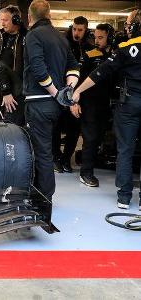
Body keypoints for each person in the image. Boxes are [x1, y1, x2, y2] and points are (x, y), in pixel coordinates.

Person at [72, 9, 141, 209]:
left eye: (129, 24)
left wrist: (77, 92)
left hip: (128, 104)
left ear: (135, 27)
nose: (127, 28)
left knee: (126, 149)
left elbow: (101, 72)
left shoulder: (127, 47)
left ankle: (124, 197)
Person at [24, 0, 80, 200]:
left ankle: (43, 198)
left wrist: (56, 92)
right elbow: (74, 67)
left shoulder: (33, 35)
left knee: (41, 152)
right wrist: (68, 90)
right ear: (49, 15)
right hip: (55, 106)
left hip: (39, 102)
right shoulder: (61, 38)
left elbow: (39, 70)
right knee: (46, 149)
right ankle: (42, 195)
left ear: (30, 17)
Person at [70, 23, 115, 187]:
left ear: (110, 37)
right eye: (95, 37)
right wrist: (74, 102)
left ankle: (90, 167)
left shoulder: (117, 54)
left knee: (99, 138)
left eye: (101, 37)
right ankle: (86, 173)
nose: (96, 41)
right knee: (90, 138)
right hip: (88, 103)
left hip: (106, 105)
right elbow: (78, 80)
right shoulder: (89, 54)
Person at [53, 16, 94, 173]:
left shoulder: (89, 47)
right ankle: (56, 158)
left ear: (86, 30)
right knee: (56, 128)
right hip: (61, 91)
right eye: (74, 29)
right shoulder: (63, 43)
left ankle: (65, 159)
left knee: (74, 129)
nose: (76, 32)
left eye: (80, 30)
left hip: (79, 94)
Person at [0, 5, 27, 126]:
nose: (2, 23)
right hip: (9, 93)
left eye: (5, 20)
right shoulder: (0, 38)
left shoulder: (27, 37)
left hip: (25, 91)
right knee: (10, 127)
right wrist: (6, 91)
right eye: (1, 20)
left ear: (16, 20)